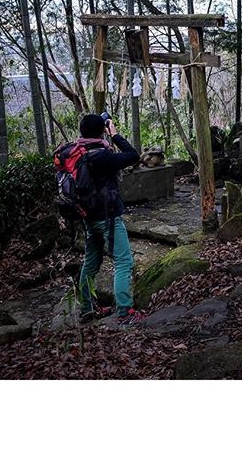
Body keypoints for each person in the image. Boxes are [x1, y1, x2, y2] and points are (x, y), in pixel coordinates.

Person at [76, 113, 142, 324]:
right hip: (108, 217)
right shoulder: (103, 156)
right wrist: (114, 135)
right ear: (102, 130)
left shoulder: (79, 153)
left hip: (87, 218)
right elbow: (133, 155)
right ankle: (125, 310)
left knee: (90, 263)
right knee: (123, 261)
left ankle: (87, 309)